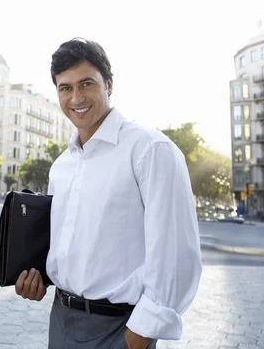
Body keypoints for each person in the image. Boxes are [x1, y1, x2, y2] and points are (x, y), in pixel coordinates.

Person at [14, 38, 202, 348]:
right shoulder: (62, 166)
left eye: (86, 83)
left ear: (109, 85)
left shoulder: (151, 149)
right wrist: (38, 279)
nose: (76, 97)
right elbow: (67, 246)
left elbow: (176, 255)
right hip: (60, 320)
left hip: (120, 329)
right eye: (65, 88)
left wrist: (137, 337)